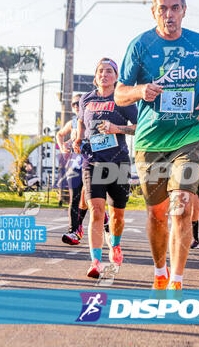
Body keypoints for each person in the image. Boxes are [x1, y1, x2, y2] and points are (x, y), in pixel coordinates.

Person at [114, 0, 199, 290]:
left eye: (175, 8)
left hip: (189, 135)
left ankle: (177, 280)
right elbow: (120, 94)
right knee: (157, 214)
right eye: (163, 8)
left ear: (184, 11)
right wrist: (140, 90)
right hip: (150, 140)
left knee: (183, 204)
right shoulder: (140, 45)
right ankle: (160, 270)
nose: (169, 14)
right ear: (154, 12)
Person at [73, 58, 138, 278]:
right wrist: (77, 137)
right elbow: (81, 122)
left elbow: (139, 128)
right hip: (92, 161)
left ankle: (116, 244)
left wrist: (116, 128)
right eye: (100, 71)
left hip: (119, 161)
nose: (104, 74)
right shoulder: (86, 99)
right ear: (95, 76)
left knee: (117, 216)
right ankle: (95, 262)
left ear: (116, 76)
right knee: (97, 211)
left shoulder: (123, 99)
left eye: (109, 71)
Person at [56, 93, 88, 245]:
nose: (76, 106)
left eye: (79, 103)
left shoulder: (92, 119)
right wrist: (63, 147)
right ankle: (73, 230)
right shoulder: (72, 122)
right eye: (74, 104)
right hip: (75, 165)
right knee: (74, 198)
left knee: (88, 198)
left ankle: (100, 220)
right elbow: (59, 134)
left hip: (91, 163)